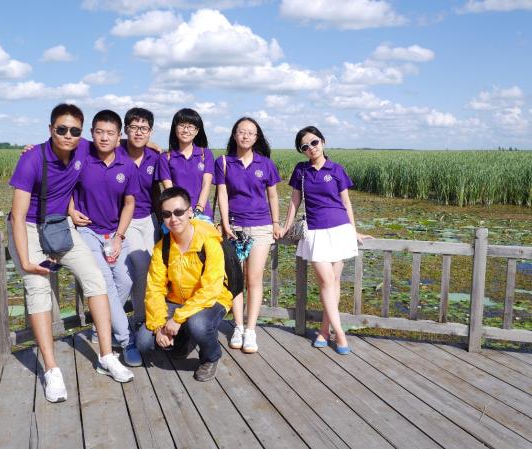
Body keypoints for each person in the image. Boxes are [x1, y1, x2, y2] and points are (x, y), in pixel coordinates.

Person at [7, 104, 133, 403]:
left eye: (74, 130)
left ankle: (106, 355)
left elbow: (119, 141)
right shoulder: (31, 160)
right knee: (37, 288)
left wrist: (155, 147)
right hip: (29, 227)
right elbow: (18, 215)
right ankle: (52, 370)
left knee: (95, 279)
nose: (68, 135)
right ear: (50, 129)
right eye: (61, 129)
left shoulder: (83, 148)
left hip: (60, 226)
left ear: (81, 133)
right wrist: (25, 261)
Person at [282, 126, 371, 354]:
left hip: (340, 229)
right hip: (315, 231)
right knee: (327, 281)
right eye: (305, 146)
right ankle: (340, 333)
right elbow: (294, 201)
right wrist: (285, 226)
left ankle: (324, 330)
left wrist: (354, 231)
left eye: (314, 142)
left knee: (334, 282)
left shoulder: (337, 169)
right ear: (302, 151)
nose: (311, 148)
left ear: (323, 141)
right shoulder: (301, 170)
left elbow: (346, 202)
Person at [68, 109, 142, 367]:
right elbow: (63, 183)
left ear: (119, 136)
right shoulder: (81, 154)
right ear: (91, 133)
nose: (104, 137)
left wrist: (119, 236)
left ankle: (102, 325)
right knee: (105, 282)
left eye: (110, 133)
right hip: (87, 231)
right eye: (99, 132)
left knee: (126, 279)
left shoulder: (127, 165)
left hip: (114, 232)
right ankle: (127, 340)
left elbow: (130, 203)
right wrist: (70, 210)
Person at [136, 187, 232, 381]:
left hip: (212, 298)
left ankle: (211, 357)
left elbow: (211, 288)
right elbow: (154, 289)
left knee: (198, 323)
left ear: (189, 211)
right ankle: (184, 339)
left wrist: (178, 319)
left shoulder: (208, 242)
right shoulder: (162, 247)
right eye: (167, 214)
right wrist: (159, 326)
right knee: (143, 342)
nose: (174, 219)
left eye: (179, 212)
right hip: (177, 300)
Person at [215, 117, 282, 353]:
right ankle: (238, 326)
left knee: (254, 279)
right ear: (234, 135)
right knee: (236, 279)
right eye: (241, 131)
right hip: (235, 227)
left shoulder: (266, 164)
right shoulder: (223, 162)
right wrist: (225, 223)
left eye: (250, 133)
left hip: (261, 227)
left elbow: (272, 195)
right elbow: (222, 194)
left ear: (256, 137)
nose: (245, 136)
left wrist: (276, 223)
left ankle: (251, 330)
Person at [119, 108, 161, 335]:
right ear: (126, 130)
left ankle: (149, 315)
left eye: (143, 128)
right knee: (142, 264)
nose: (138, 132)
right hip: (127, 220)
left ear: (150, 131)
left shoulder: (154, 156)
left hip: (149, 218)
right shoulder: (115, 152)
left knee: (154, 265)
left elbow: (159, 188)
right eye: (133, 127)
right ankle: (139, 318)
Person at [157, 108, 215, 219]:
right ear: (175, 128)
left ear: (197, 131)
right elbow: (170, 191)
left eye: (190, 126)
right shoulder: (165, 158)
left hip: (202, 214)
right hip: (178, 215)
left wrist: (198, 210)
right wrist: (184, 212)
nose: (186, 130)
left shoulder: (206, 154)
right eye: (182, 125)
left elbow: (206, 184)